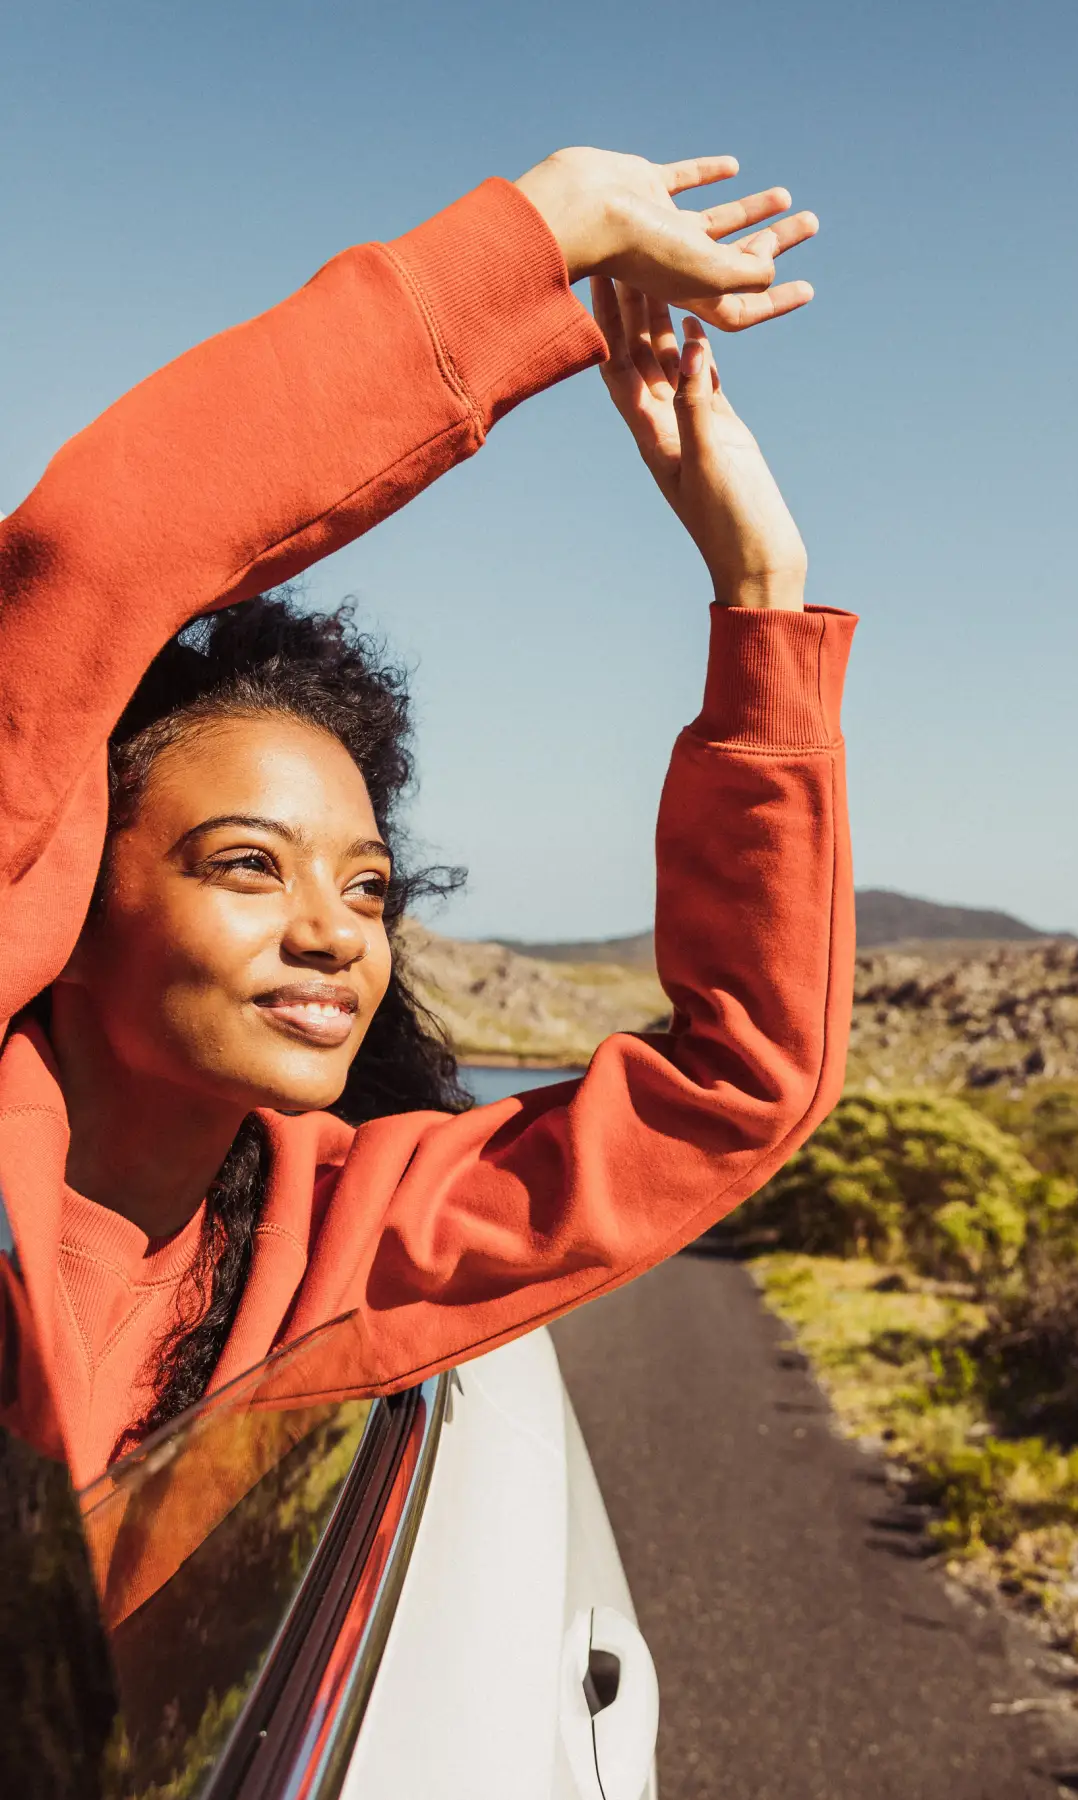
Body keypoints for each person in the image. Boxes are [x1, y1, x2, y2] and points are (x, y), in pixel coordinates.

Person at [0, 147, 855, 1488]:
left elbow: (738, 1090)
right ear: (70, 900)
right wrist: (542, 233)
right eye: (245, 865)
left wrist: (763, 592)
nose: (332, 935)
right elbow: (101, 552)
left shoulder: (330, 1237)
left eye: (365, 889)